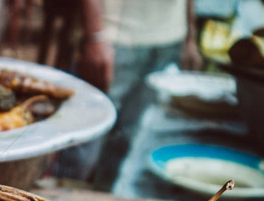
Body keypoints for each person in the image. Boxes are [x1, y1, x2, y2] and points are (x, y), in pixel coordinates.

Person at [58, 0, 202, 190]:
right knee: (83, 143)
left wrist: (190, 35)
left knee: (128, 139)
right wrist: (95, 35)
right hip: (115, 35)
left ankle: (100, 199)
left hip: (170, 37)